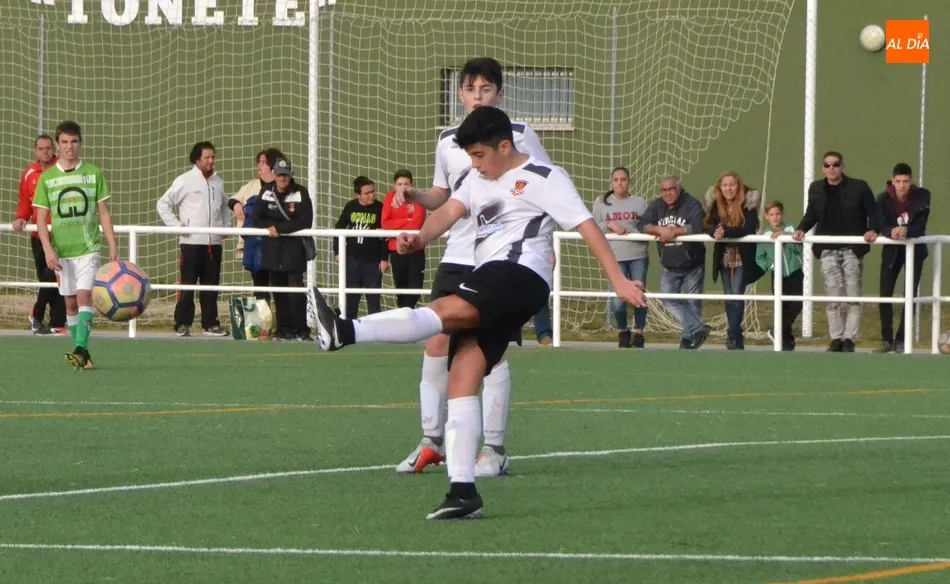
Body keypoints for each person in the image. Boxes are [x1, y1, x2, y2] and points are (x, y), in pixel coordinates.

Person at [310, 106, 646, 519]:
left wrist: (617, 280)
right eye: (469, 157)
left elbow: (586, 226)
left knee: (444, 312)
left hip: (521, 274)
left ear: (505, 147)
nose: (474, 165)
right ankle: (463, 491)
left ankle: (344, 330)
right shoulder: (474, 178)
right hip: (493, 274)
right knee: (463, 374)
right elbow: (449, 212)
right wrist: (418, 239)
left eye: (480, 156)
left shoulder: (544, 176)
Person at [387, 57, 553, 478]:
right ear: (459, 94)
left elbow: (543, 187)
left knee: (488, 355)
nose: (478, 97)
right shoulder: (447, 140)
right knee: (436, 343)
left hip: (502, 259)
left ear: (500, 94)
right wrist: (416, 198)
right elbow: (445, 196)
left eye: (486, 90)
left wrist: (543, 243)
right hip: (457, 254)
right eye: (470, 89)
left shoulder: (519, 136)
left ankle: (494, 448)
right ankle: (430, 441)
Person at [32, 120, 118, 370]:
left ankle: (80, 348)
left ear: (80, 143)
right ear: (57, 145)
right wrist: (48, 249)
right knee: (69, 303)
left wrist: (112, 244)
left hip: (88, 248)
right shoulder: (47, 178)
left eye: (74, 142)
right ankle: (82, 351)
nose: (70, 147)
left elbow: (104, 213)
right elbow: (39, 218)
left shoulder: (93, 173)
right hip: (62, 252)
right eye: (65, 142)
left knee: (85, 296)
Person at [793, 151, 878, 352]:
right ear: (823, 168)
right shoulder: (815, 188)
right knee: (833, 296)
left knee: (852, 295)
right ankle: (836, 338)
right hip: (827, 249)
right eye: (828, 164)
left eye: (836, 164)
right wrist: (800, 229)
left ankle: (850, 339)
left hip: (852, 248)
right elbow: (811, 214)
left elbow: (873, 213)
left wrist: (873, 230)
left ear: (843, 167)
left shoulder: (859, 187)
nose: (832, 168)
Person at [156, 141, 230, 337]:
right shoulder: (184, 180)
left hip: (213, 243)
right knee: (187, 284)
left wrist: (225, 227)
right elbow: (163, 204)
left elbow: (224, 206)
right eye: (207, 157)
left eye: (213, 157)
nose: (211, 161)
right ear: (197, 159)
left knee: (211, 285)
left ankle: (210, 324)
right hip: (190, 243)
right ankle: (182, 323)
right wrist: (179, 227)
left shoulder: (218, 182)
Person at [638, 175, 710, 349]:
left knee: (692, 303)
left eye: (671, 189)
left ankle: (687, 341)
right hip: (669, 265)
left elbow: (699, 225)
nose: (668, 193)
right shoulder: (657, 206)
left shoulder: (691, 203)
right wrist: (658, 230)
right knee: (667, 298)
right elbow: (642, 224)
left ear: (679, 188)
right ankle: (697, 328)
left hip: (692, 263)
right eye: (664, 190)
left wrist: (674, 232)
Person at [251, 157, 314, 341]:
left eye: (285, 175)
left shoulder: (301, 192)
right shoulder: (265, 192)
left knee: (296, 291)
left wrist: (280, 229)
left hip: (294, 251)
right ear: (274, 175)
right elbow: (256, 219)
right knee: (278, 291)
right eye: (279, 175)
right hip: (272, 251)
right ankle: (283, 328)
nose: (282, 179)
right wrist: (273, 228)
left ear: (290, 175)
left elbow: (305, 221)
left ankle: (302, 329)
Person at [13, 134, 66, 335]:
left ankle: (38, 315)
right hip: (37, 235)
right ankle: (55, 324)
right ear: (36, 151)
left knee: (54, 276)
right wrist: (21, 217)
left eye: (48, 148)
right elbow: (24, 201)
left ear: (54, 149)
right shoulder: (29, 173)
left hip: (60, 234)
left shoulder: (60, 169)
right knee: (48, 278)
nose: (45, 151)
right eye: (41, 148)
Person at [875, 163, 931, 353]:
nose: (901, 186)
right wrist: (891, 231)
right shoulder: (882, 199)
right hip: (891, 252)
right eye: (898, 181)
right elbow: (879, 223)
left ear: (911, 182)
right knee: (885, 293)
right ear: (892, 181)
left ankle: (901, 340)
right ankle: (886, 339)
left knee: (910, 294)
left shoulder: (922, 197)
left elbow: (920, 227)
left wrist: (907, 230)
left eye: (905, 181)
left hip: (914, 251)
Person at [701, 172, 761, 350]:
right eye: (725, 185)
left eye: (732, 185)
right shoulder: (715, 204)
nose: (728, 188)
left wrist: (725, 232)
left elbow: (748, 228)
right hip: (723, 257)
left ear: (738, 186)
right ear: (720, 187)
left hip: (742, 257)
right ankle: (735, 333)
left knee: (736, 295)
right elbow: (705, 224)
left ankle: (734, 334)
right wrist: (714, 232)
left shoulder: (748, 205)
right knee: (729, 297)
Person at [592, 166, 649, 348]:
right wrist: (610, 224)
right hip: (614, 257)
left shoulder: (639, 203)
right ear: (611, 182)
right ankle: (623, 330)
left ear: (629, 181)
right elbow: (593, 227)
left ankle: (638, 332)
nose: (619, 183)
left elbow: (646, 226)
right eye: (616, 180)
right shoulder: (601, 202)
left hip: (638, 254)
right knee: (618, 301)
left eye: (623, 179)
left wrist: (628, 230)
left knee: (639, 295)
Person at [229, 148, 285, 302]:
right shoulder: (251, 186)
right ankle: (264, 323)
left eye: (263, 163)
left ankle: (282, 324)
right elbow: (232, 199)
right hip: (254, 247)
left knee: (280, 287)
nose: (259, 166)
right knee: (260, 287)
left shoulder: (282, 186)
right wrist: (236, 205)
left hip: (276, 246)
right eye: (258, 163)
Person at [333, 176, 388, 320]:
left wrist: (384, 258)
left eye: (373, 191)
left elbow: (385, 236)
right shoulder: (351, 206)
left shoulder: (380, 208)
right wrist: (337, 251)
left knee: (373, 301)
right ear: (358, 195)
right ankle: (350, 332)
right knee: (351, 300)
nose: (372, 195)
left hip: (372, 261)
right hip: (352, 260)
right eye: (367, 193)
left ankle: (375, 333)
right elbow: (338, 228)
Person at [382, 169, 426, 309]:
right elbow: (385, 224)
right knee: (400, 287)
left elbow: (416, 224)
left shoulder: (418, 198)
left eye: (406, 184)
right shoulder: (389, 197)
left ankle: (408, 312)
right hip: (396, 250)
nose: (403, 187)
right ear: (395, 186)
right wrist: (406, 220)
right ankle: (404, 315)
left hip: (415, 249)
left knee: (415, 287)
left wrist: (398, 223)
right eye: (399, 184)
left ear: (412, 184)